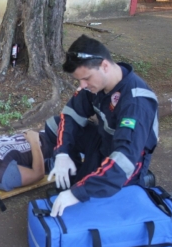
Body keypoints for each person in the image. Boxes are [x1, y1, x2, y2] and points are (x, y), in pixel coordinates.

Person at [45, 35, 158, 217]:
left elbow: (124, 158)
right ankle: (72, 180)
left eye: (86, 78)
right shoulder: (95, 85)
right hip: (102, 141)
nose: (83, 85)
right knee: (54, 125)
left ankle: (138, 181)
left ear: (105, 66)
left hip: (128, 159)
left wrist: (77, 193)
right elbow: (70, 115)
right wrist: (63, 152)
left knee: (91, 203)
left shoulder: (136, 102)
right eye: (79, 80)